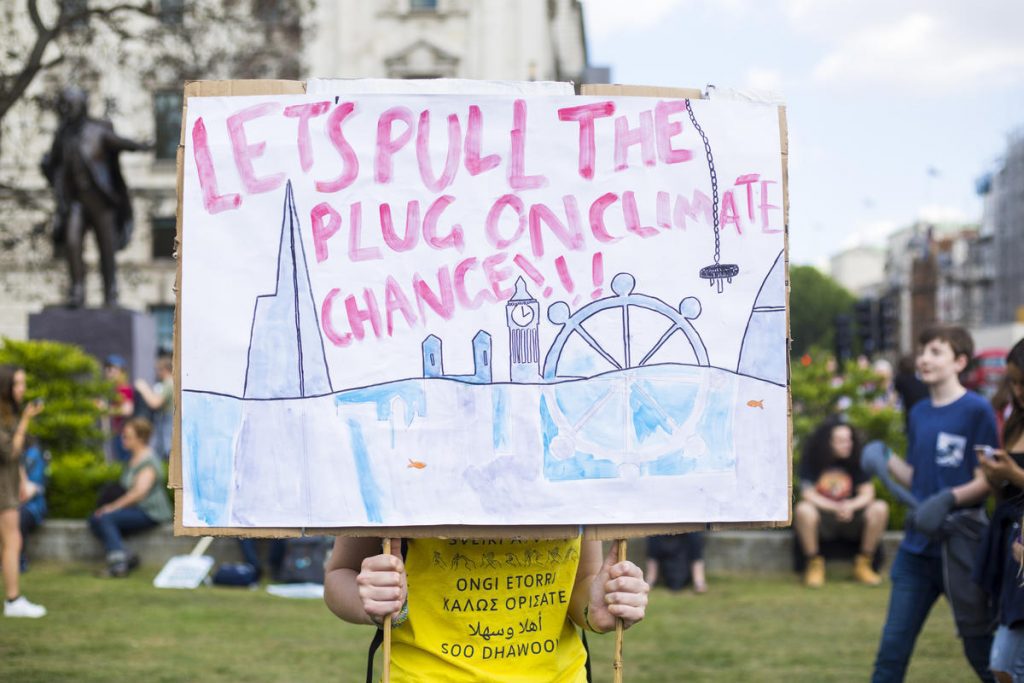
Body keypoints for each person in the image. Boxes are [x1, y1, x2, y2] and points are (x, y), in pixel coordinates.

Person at [324, 536, 649, 682]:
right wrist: (378, 603)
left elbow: (581, 580)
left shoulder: (573, 462)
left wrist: (598, 605)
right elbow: (340, 575)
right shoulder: (403, 452)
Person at [868, 325, 999, 682]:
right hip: (916, 549)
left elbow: (988, 478)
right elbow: (919, 475)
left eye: (936, 352)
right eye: (922, 351)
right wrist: (885, 460)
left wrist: (949, 499)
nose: (924, 359)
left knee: (980, 650)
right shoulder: (920, 411)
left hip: (962, 548)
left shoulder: (978, 411)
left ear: (960, 361)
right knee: (891, 652)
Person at [40, 86, 148, 308]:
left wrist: (142, 145)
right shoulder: (62, 135)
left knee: (106, 248)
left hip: (100, 200)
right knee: (72, 242)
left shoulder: (97, 130)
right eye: (64, 105)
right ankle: (77, 292)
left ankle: (111, 294)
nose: (66, 110)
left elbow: (120, 142)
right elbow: (54, 163)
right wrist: (46, 166)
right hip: (75, 201)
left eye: (70, 105)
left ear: (81, 105)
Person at [973, 339, 1024, 683]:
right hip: (1011, 549)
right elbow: (1006, 495)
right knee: (1003, 664)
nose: (1018, 391)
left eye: (1023, 382)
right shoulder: (1015, 423)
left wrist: (1013, 474)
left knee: (1005, 662)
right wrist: (995, 477)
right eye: (1013, 382)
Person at [794, 418, 889, 588]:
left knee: (879, 507)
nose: (848, 444)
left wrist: (850, 506)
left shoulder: (857, 459)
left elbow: (868, 493)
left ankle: (864, 564)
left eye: (849, 439)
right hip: (823, 520)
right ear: (827, 443)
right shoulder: (812, 461)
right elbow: (807, 494)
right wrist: (835, 507)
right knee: (803, 509)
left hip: (852, 519)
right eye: (841, 441)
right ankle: (814, 564)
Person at [88, 417, 172, 577]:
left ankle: (118, 564)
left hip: (150, 512)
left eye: (127, 436)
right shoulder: (132, 458)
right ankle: (126, 555)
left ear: (140, 438)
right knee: (95, 519)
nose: (122, 440)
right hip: (137, 509)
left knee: (106, 518)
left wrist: (111, 508)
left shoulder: (148, 460)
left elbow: (139, 493)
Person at [0, 365, 46, 617]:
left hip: (8, 486)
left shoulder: (8, 414)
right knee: (12, 541)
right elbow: (10, 451)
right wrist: (26, 419)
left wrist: (23, 482)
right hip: (2, 490)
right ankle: (13, 599)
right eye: (18, 384)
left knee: (12, 540)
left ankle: (13, 599)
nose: (22, 389)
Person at [134, 356, 174, 460]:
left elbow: (155, 403)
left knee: (166, 448)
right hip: (164, 420)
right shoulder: (167, 383)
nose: (157, 373)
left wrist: (144, 388)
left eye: (158, 370)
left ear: (164, 369)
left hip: (167, 420)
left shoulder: (169, 383)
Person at [18, 441, 48, 572]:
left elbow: (26, 494)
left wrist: (19, 469)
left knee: (17, 516)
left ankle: (19, 560)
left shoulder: (33, 455)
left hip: (30, 506)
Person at [104, 354, 133, 463]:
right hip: (119, 431)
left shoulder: (123, 389)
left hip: (124, 433)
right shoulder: (115, 389)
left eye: (112, 370)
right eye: (107, 370)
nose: (109, 373)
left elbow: (127, 410)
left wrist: (106, 409)